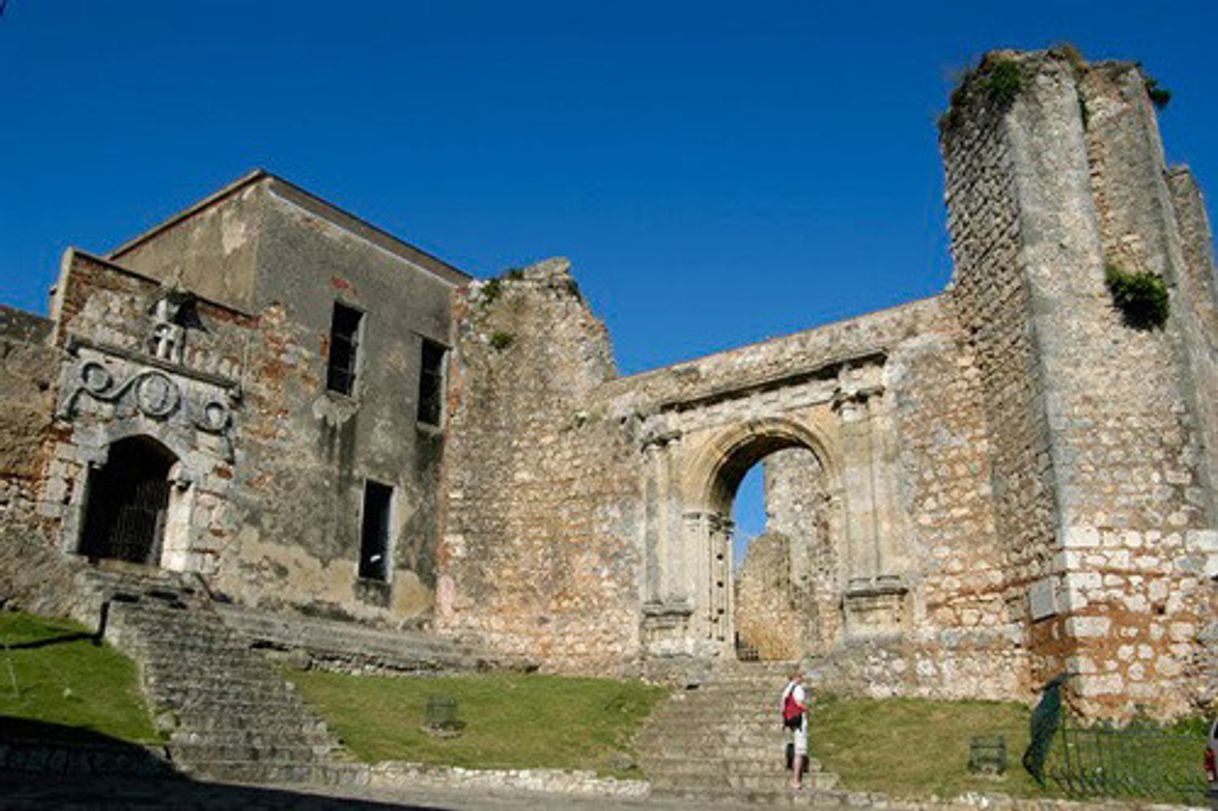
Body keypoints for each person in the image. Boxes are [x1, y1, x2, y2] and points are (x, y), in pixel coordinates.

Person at [780, 669, 810, 789]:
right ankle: (796, 780)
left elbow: (783, 706)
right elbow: (799, 703)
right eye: (801, 676)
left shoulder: (787, 690)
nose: (802, 678)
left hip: (791, 720)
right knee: (800, 751)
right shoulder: (798, 689)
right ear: (797, 677)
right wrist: (808, 710)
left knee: (798, 749)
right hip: (799, 721)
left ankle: (795, 778)